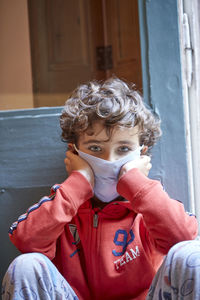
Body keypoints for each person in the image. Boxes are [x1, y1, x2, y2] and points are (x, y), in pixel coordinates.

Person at [1, 78, 199, 300]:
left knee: (192, 255)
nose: (109, 160)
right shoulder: (62, 205)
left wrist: (137, 185)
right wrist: (78, 183)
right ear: (74, 152)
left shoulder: (151, 205)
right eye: (95, 148)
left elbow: (183, 237)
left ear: (141, 155)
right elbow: (27, 241)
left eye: (124, 149)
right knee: (26, 265)